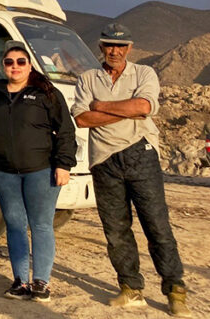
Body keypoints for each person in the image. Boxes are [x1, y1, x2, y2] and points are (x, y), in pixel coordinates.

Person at [72, 23, 191, 316]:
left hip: (141, 152)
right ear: (101, 47)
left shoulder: (144, 73)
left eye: (121, 46)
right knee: (116, 229)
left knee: (157, 225)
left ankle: (175, 289)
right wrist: (125, 110)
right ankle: (130, 288)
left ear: (130, 48)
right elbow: (83, 119)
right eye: (109, 45)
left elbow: (144, 107)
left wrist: (101, 105)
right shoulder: (88, 78)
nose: (115, 51)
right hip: (104, 160)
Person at [0, 41, 76, 302]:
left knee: (41, 225)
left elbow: (66, 130)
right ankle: (20, 281)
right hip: (5, 172)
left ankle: (41, 282)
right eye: (9, 62)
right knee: (14, 225)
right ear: (3, 66)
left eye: (20, 62)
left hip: (41, 171)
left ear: (30, 65)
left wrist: (63, 164)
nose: (15, 66)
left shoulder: (46, 93)